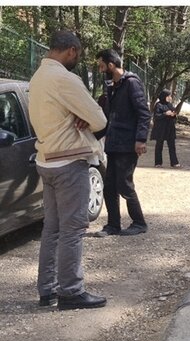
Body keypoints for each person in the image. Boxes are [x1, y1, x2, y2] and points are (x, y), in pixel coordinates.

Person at [29, 30, 108, 310]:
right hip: (69, 161)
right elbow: (98, 119)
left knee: (51, 229)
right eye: (79, 54)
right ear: (72, 51)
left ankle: (47, 289)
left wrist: (78, 115)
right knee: (73, 229)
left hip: (46, 160)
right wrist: (84, 116)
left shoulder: (38, 77)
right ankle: (71, 292)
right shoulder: (64, 78)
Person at [94, 48, 150, 237]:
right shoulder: (112, 87)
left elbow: (143, 113)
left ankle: (139, 222)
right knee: (109, 186)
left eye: (102, 65)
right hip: (114, 144)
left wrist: (140, 139)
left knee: (124, 184)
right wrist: (92, 135)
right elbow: (109, 118)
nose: (100, 70)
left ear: (111, 65)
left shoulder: (132, 83)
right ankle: (113, 225)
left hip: (128, 145)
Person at [151, 90, 180, 168]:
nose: (170, 98)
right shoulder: (158, 105)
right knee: (159, 145)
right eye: (168, 96)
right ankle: (158, 163)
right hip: (161, 128)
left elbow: (174, 113)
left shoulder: (169, 105)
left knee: (172, 146)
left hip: (169, 128)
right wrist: (165, 114)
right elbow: (157, 116)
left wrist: (173, 114)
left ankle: (174, 162)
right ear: (164, 96)